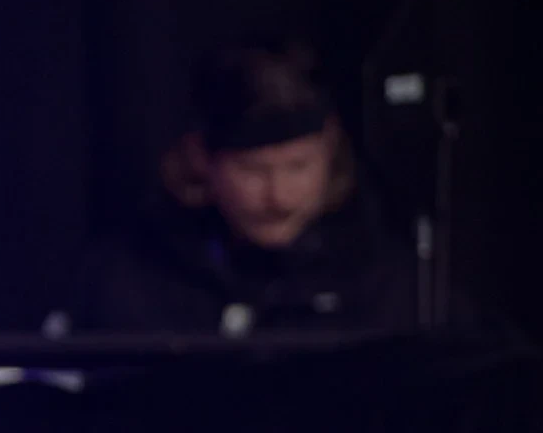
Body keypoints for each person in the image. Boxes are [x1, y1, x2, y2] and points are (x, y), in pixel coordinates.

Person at [79, 40, 416, 338]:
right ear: (202, 159)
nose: (279, 197)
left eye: (299, 166)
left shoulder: (386, 280)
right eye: (253, 169)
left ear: (331, 151)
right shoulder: (135, 278)